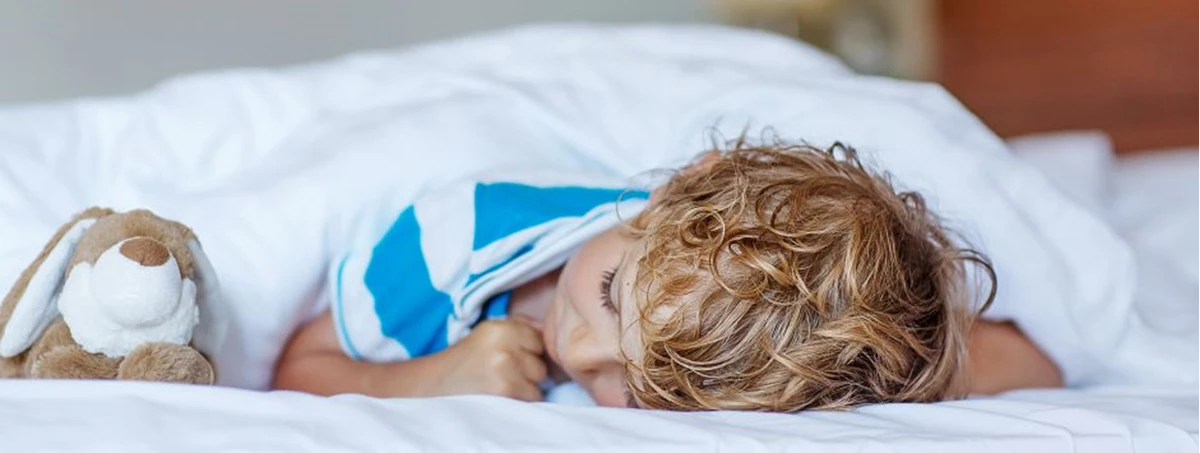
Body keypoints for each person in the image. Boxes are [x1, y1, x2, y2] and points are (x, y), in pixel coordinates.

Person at [273, 141, 1062, 412]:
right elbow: (297, 367)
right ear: (676, 188)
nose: (581, 352)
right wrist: (430, 379)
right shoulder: (461, 243)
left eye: (639, 386)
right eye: (611, 293)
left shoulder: (764, 365)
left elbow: (1035, 363)